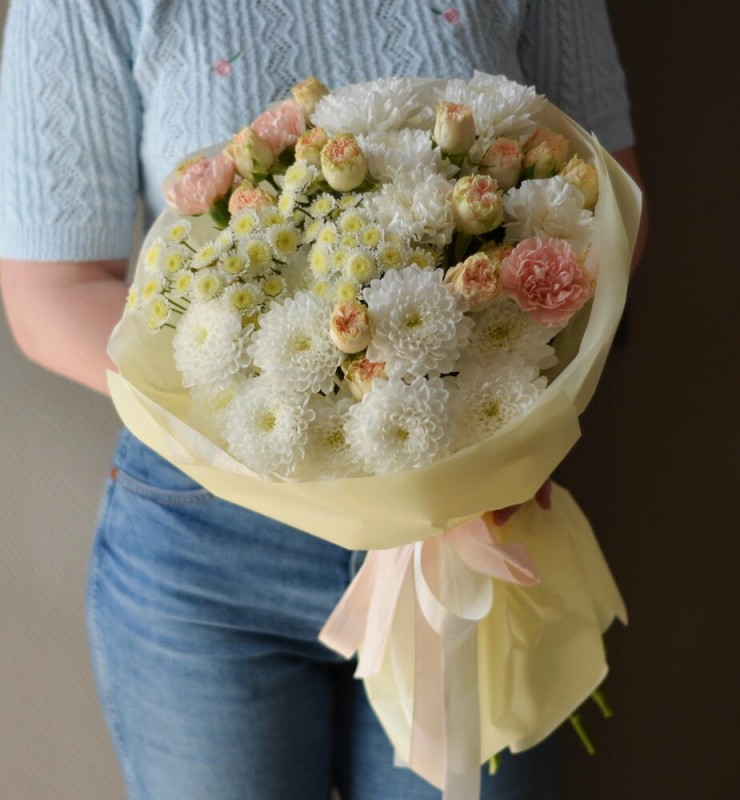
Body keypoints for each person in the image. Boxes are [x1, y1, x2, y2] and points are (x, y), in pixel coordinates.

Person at [0, 1, 645, 797]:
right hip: (212, 555)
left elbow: (607, 199)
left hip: (467, 527)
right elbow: (50, 291)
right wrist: (277, 391)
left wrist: (495, 418)